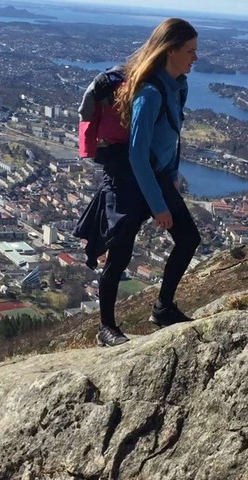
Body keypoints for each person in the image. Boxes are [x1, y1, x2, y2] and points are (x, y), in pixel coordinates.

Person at [75, 18, 201, 347]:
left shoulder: (178, 85)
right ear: (170, 50)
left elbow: (172, 137)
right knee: (119, 256)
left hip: (156, 175)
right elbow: (137, 155)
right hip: (128, 180)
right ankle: (106, 328)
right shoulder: (149, 93)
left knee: (188, 238)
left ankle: (163, 308)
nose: (195, 57)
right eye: (190, 51)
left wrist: (171, 177)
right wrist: (159, 206)